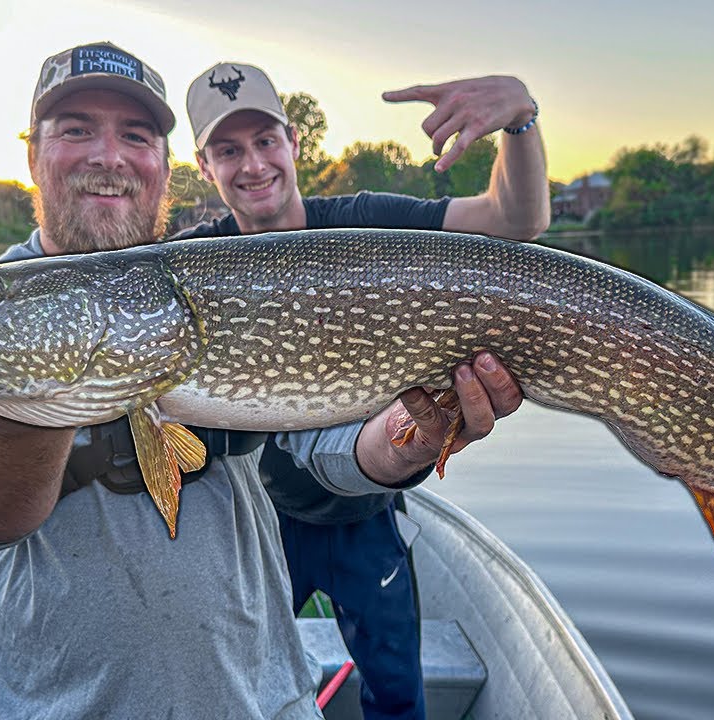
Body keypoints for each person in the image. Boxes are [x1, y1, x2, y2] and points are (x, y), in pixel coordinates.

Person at [0, 41, 523, 720]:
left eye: (136, 135)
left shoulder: (217, 283)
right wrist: (31, 404)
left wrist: (405, 441)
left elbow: (323, 448)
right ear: (31, 154)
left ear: (163, 168)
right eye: (76, 129)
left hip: (262, 702)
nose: (108, 155)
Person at [174, 62, 549, 720]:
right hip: (258, 525)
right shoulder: (195, 262)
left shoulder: (366, 224)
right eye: (228, 150)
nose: (252, 164)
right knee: (235, 691)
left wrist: (520, 120)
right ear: (205, 166)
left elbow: (513, 221)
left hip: (367, 513)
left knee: (397, 696)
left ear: (294, 143)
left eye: (264, 141)